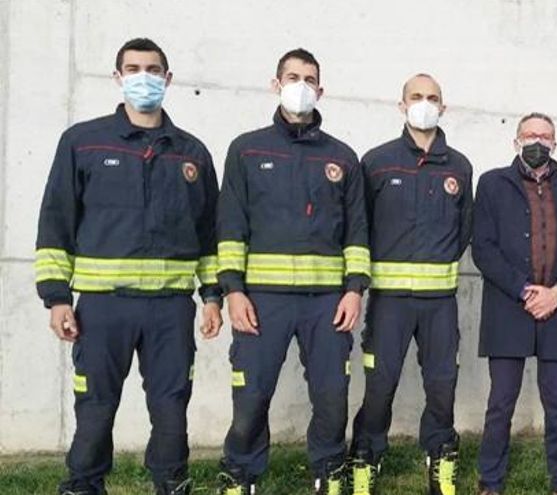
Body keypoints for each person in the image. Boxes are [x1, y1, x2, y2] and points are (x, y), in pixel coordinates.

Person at [35, 37, 223, 495]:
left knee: (171, 408)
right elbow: (57, 221)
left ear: (168, 79)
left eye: (154, 69)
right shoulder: (83, 142)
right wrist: (57, 299)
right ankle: (83, 485)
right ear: (118, 77)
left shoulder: (191, 153)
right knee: (96, 407)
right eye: (134, 68)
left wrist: (212, 296)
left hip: (170, 311)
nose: (145, 77)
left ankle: (171, 483)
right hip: (102, 309)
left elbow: (209, 235)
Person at [214, 48, 369, 495]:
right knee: (251, 396)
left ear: (320, 90)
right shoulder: (246, 149)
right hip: (262, 301)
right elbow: (231, 225)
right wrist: (233, 291)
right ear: (276, 83)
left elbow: (356, 231)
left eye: (309, 78)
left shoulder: (342, 156)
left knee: (331, 398)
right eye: (293, 76)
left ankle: (329, 471)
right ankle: (240, 473)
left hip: (327, 303)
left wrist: (354, 290)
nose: (301, 85)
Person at [348, 74, 473, 495]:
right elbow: (359, 227)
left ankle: (440, 455)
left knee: (442, 385)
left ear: (444, 106)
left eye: (432, 97)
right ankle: (366, 455)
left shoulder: (459, 166)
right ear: (401, 106)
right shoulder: (377, 162)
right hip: (389, 304)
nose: (424, 103)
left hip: (440, 303)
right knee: (380, 384)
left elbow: (463, 230)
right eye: (416, 97)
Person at [472, 113, 557, 495]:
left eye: (544, 136)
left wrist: (556, 293)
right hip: (509, 307)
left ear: (555, 143)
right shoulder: (492, 184)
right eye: (529, 135)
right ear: (516, 141)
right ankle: (490, 481)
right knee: (500, 403)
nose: (536, 141)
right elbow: (483, 249)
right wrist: (526, 291)